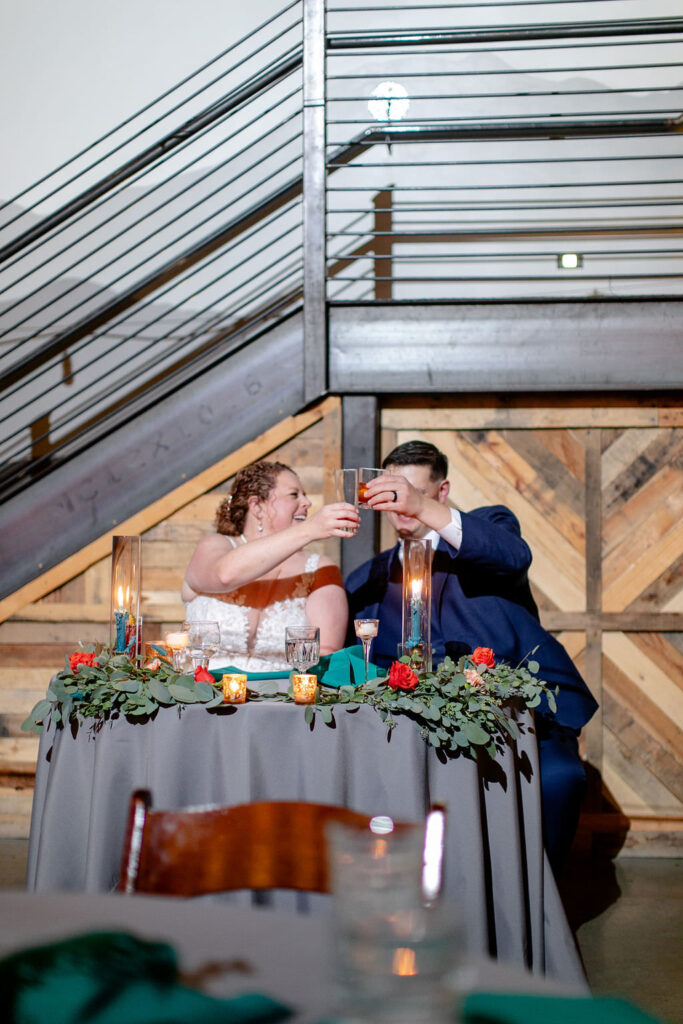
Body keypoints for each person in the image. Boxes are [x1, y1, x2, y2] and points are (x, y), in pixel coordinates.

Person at [345, 440, 598, 876]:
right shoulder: (365, 577)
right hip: (412, 730)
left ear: (441, 492)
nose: (401, 509)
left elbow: (513, 555)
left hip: (517, 720)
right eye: (393, 498)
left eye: (413, 494)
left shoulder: (487, 528)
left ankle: (539, 909)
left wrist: (422, 508)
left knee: (560, 781)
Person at [182, 460, 359, 672]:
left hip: (282, 699)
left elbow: (326, 655)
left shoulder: (319, 569)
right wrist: (312, 529)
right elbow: (224, 576)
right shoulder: (215, 546)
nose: (307, 503)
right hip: (199, 697)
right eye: (294, 495)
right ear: (257, 506)